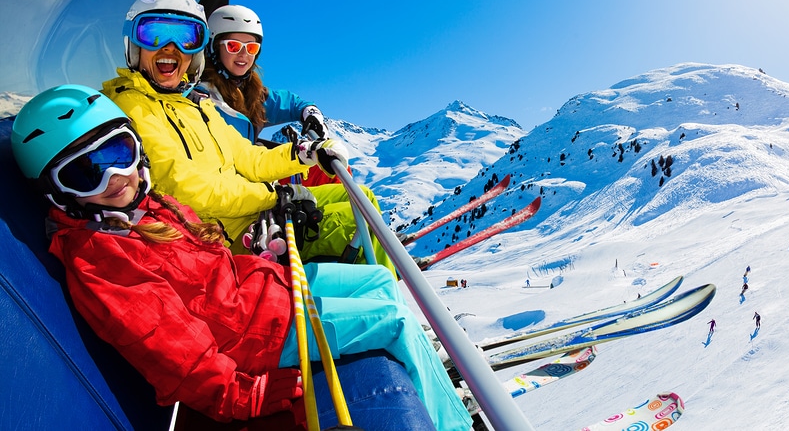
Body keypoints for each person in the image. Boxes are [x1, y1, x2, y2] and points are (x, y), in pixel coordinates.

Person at [10, 84, 470, 430]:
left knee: (381, 284)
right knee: (393, 319)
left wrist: (262, 251)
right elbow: (169, 346)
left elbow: (213, 263)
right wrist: (240, 394)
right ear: (60, 195)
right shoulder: (102, 256)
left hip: (263, 296)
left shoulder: (149, 209)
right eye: (85, 173)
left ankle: (431, 380)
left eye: (119, 151)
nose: (114, 176)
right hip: (260, 338)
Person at [100, 0, 394, 276]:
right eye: (154, 34)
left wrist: (305, 154)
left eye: (186, 38)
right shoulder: (131, 108)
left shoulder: (194, 106)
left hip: (251, 210)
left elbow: (248, 158)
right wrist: (274, 196)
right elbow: (183, 187)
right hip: (227, 232)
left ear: (196, 52)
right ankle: (385, 290)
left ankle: (368, 273)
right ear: (134, 45)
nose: (170, 48)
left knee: (361, 196)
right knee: (360, 220)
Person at [198, 4, 340, 187]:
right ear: (214, 48)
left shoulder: (252, 92)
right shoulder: (202, 96)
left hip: (257, 173)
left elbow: (292, 102)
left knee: (329, 168)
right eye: (233, 46)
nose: (243, 55)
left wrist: (311, 113)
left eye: (251, 48)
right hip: (231, 184)